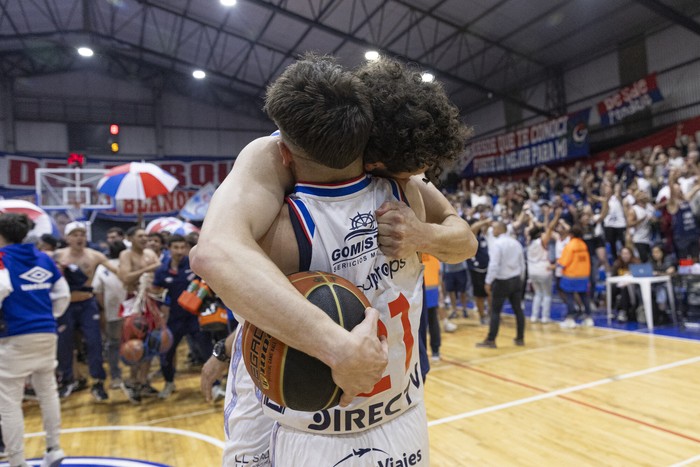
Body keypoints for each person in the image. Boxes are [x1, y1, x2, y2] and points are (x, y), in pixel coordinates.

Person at [193, 55, 474, 466]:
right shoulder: (405, 190)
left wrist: (423, 235)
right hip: (400, 410)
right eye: (422, 166)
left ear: (287, 152)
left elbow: (246, 284)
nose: (425, 171)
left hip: (312, 424)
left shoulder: (280, 226)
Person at [0, 213, 71, 467]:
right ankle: (54, 448)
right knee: (48, 392)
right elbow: (63, 294)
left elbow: (2, 288)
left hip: (13, 336)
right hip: (46, 332)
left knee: (8, 402)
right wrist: (46, 317)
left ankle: (18, 462)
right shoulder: (43, 258)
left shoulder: (1, 258)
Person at [53, 221, 117, 401]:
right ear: (67, 238)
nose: (79, 237)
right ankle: (67, 380)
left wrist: (132, 278)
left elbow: (116, 270)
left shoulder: (94, 255)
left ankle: (98, 381)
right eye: (75, 234)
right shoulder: (58, 255)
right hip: (65, 305)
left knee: (94, 341)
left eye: (82, 234)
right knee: (64, 344)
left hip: (87, 304)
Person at [152, 234, 213, 399]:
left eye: (182, 247)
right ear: (169, 249)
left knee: (208, 350)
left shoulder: (195, 266)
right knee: (166, 353)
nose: (179, 251)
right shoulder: (161, 271)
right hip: (173, 319)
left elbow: (210, 283)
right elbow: (156, 293)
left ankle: (215, 386)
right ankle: (169, 382)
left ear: (187, 248)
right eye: (175, 247)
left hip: (195, 317)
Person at [117, 226, 162, 403]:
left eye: (146, 235)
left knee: (151, 341)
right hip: (134, 303)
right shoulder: (126, 255)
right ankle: (132, 381)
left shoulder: (150, 253)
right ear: (130, 238)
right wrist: (148, 269)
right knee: (134, 344)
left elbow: (159, 274)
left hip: (152, 301)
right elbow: (125, 278)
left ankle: (143, 381)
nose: (144, 239)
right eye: (140, 236)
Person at [476, 221, 525, 348]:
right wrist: (521, 279)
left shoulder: (497, 244)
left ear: (500, 229)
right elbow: (522, 263)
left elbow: (494, 265)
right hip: (516, 279)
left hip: (502, 281)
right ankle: (520, 338)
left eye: (494, 228)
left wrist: (488, 281)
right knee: (518, 310)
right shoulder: (516, 243)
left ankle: (491, 340)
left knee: (495, 311)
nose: (492, 230)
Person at [91, 240, 128, 389]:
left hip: (113, 311)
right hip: (133, 310)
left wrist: (105, 308)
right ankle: (136, 377)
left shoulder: (102, 268)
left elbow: (97, 292)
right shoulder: (130, 264)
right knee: (135, 341)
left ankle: (116, 377)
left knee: (113, 345)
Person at [527, 209, 560, 323]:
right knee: (546, 294)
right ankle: (545, 317)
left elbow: (536, 227)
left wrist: (542, 217)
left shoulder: (529, 241)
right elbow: (550, 228)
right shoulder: (542, 241)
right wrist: (555, 217)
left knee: (537, 294)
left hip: (532, 270)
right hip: (543, 269)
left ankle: (534, 316)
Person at [558, 224, 594, 328]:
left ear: (571, 234)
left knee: (570, 297)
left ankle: (570, 319)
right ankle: (588, 318)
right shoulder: (584, 245)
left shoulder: (570, 246)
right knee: (584, 297)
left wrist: (556, 263)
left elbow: (564, 262)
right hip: (583, 275)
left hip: (571, 275)